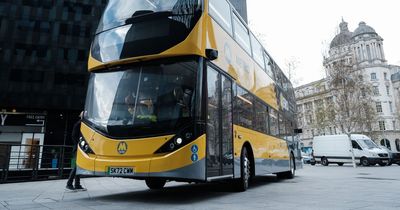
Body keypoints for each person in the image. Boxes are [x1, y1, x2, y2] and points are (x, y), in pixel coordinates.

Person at [66, 111, 86, 191]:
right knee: (77, 166)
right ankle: (69, 184)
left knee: (79, 166)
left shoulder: (83, 124)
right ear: (83, 116)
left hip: (80, 147)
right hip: (78, 148)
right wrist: (78, 144)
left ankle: (77, 184)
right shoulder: (79, 124)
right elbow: (74, 136)